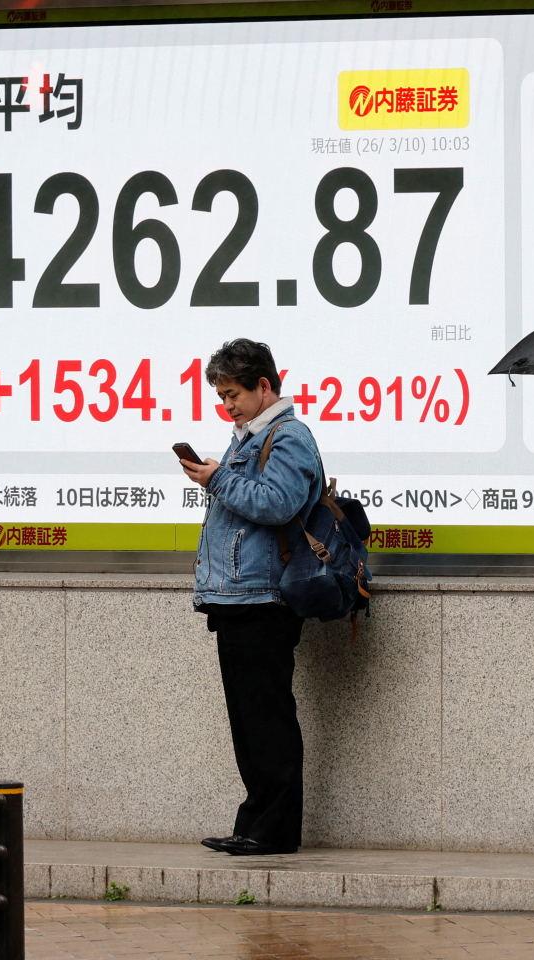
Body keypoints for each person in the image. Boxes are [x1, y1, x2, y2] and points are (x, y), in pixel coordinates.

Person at [181, 339, 324, 857]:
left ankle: (274, 830)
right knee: (248, 721)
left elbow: (277, 503)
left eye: (233, 394)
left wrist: (217, 478)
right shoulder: (248, 438)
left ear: (264, 386)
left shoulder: (289, 438)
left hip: (265, 599)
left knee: (266, 718)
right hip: (238, 598)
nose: (227, 405)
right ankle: (256, 824)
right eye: (221, 396)